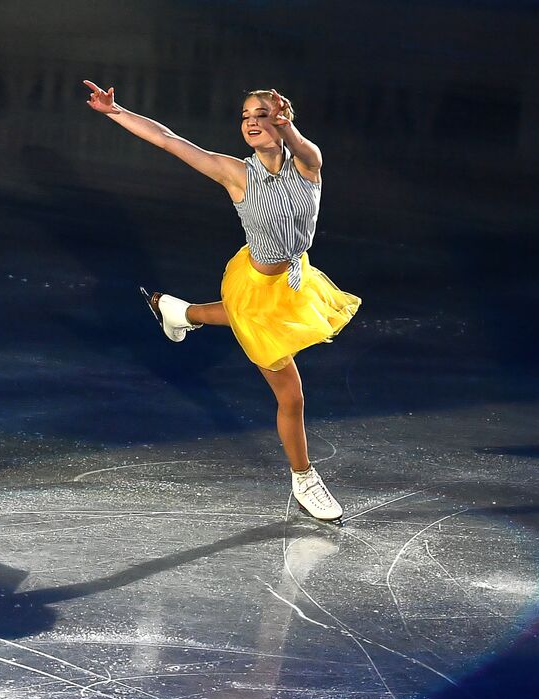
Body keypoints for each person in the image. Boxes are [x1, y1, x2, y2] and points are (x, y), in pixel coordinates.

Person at [82, 81, 359, 522]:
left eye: (260, 114)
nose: (250, 121)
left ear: (281, 118)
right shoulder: (235, 173)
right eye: (245, 115)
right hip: (255, 284)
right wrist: (116, 112)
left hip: (294, 279)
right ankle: (304, 477)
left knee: (238, 318)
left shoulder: (308, 164)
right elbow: (169, 140)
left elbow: (303, 148)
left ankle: (177, 310)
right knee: (291, 396)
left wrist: (289, 130)